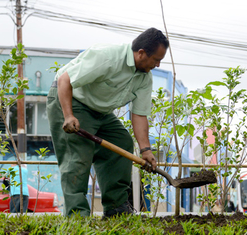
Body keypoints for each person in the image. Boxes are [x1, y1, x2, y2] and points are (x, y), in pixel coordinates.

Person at [47, 28, 169, 217]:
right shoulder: (107, 57)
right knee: (78, 154)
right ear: (141, 53)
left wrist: (146, 150)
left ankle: (117, 208)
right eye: (156, 59)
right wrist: (68, 115)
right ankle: (76, 215)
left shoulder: (145, 77)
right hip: (71, 100)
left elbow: (139, 114)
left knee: (122, 142)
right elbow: (65, 80)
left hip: (100, 111)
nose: (158, 64)